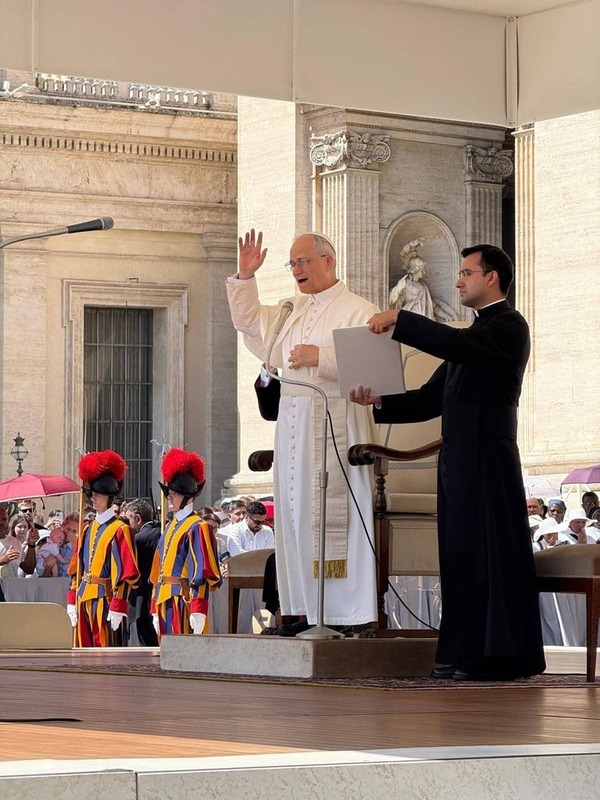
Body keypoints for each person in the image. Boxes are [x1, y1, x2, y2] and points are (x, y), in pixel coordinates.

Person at [350, 243, 545, 681]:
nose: (457, 281)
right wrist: (378, 400)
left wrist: (401, 319)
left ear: (491, 277)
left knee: (487, 557)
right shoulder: (471, 338)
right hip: (457, 460)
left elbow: (456, 343)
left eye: (466, 273)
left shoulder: (508, 325)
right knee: (458, 557)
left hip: (490, 459)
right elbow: (428, 399)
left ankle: (497, 657)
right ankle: (462, 653)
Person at [226, 228, 378, 631]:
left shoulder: (359, 309)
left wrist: (320, 357)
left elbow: (373, 369)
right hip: (293, 426)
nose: (297, 269)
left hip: (334, 424)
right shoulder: (290, 309)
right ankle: (301, 611)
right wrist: (246, 277)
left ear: (328, 261)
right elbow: (250, 325)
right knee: (295, 518)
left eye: (303, 261)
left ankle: (341, 615)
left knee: (328, 519)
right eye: (292, 263)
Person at [67, 450, 140, 647]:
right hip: (84, 596)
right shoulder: (86, 528)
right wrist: (71, 599)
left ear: (109, 497)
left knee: (105, 652)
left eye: (98, 494)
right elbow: (76, 568)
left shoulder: (120, 529)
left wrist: (119, 603)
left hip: (105, 599)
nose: (93, 498)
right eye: (92, 494)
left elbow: (126, 572)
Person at [150, 447, 221, 639]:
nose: (169, 496)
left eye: (175, 492)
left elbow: (202, 572)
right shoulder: (170, 526)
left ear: (188, 496)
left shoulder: (198, 526)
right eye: (169, 492)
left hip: (183, 600)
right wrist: (154, 605)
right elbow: (157, 570)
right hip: (164, 598)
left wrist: (199, 609)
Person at [125, 499, 160, 646]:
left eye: (128, 519)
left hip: (141, 594)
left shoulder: (138, 539)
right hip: (158, 593)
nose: (127, 525)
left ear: (138, 518)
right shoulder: (162, 531)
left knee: (142, 640)